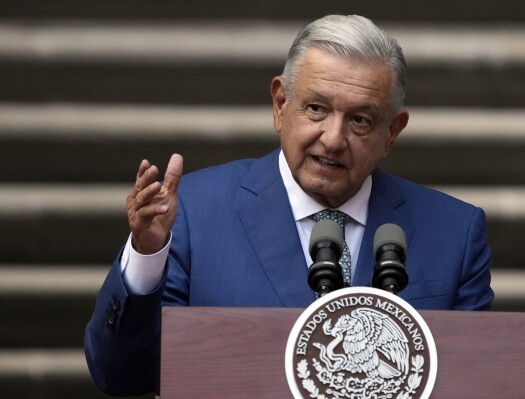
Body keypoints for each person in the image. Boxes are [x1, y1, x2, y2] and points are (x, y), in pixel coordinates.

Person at [84, 14, 494, 396]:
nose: (333, 138)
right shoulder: (196, 211)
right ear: (281, 105)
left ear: (392, 132)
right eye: (316, 108)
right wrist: (147, 256)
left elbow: (480, 382)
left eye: (360, 120)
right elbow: (121, 376)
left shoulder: (455, 233)